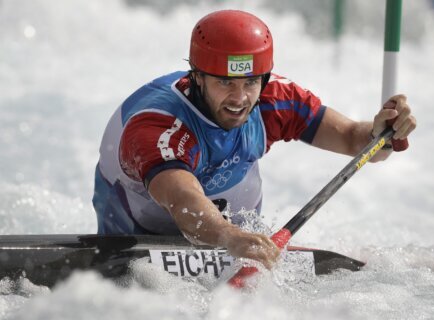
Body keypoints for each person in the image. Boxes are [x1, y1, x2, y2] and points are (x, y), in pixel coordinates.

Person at [92, 10, 416, 270]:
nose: (239, 98)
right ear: (197, 77)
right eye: (224, 82)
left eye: (250, 82)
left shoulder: (277, 100)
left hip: (234, 239)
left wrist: (382, 134)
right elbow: (184, 202)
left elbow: (352, 140)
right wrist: (228, 236)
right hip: (137, 236)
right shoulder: (157, 127)